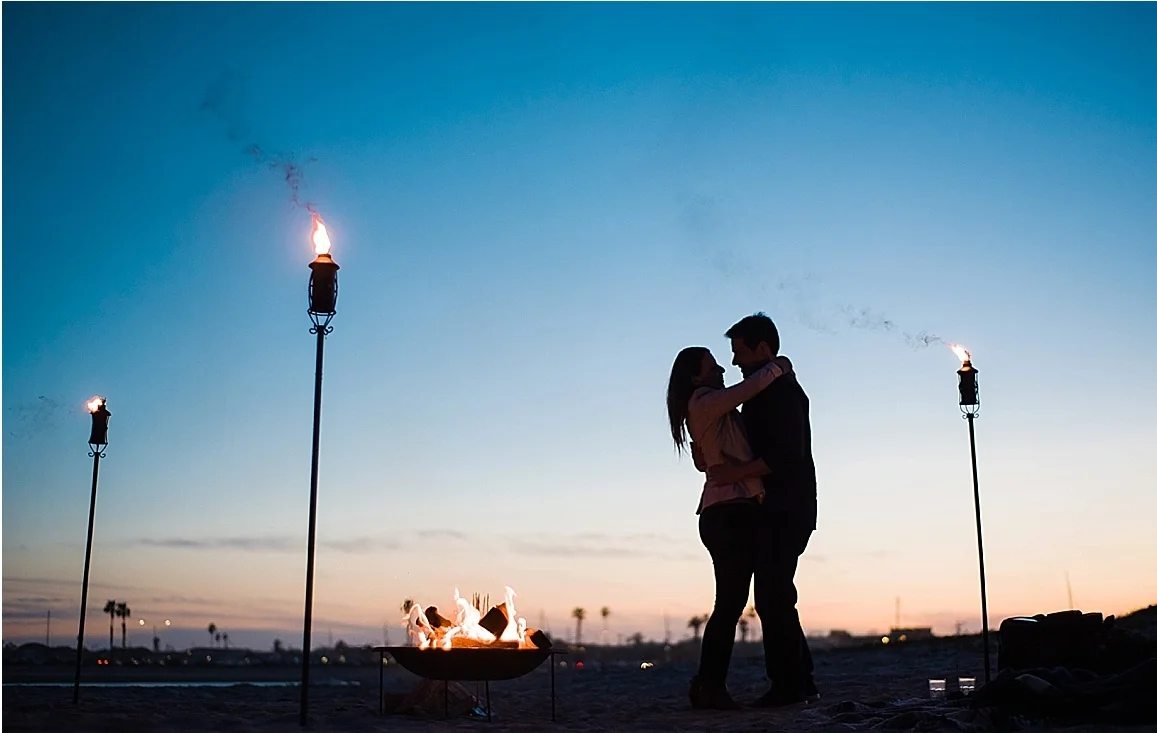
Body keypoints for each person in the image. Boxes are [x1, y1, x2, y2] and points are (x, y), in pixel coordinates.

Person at [666, 345, 793, 709]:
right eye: (712, 365)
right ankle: (709, 685)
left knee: (731, 603)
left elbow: (704, 460)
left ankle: (710, 685)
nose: (723, 368)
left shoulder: (709, 408)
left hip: (729, 512)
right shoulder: (705, 400)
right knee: (729, 605)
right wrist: (778, 366)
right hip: (729, 514)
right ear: (695, 377)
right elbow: (749, 388)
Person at [709, 312, 819, 707]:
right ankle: (800, 680)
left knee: (772, 596)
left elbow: (780, 457)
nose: (736, 361)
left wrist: (732, 473)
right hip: (784, 507)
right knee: (776, 595)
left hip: (786, 507)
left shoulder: (780, 394)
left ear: (762, 349)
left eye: (739, 351)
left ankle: (790, 685)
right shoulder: (767, 390)